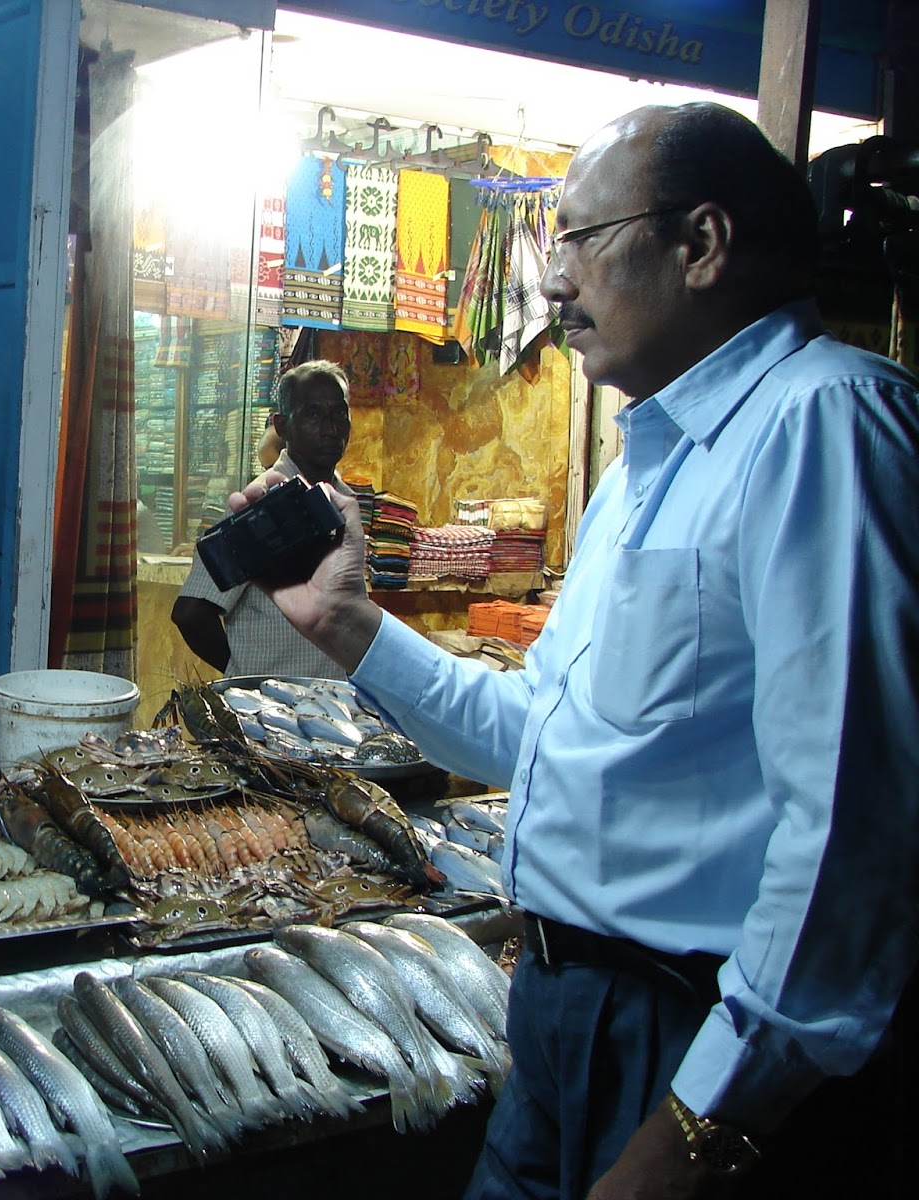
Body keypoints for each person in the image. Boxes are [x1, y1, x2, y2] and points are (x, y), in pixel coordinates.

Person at [233, 102, 919, 1198]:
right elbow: (545, 738)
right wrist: (347, 625)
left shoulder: (821, 428)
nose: (551, 282)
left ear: (699, 243)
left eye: (581, 239)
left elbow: (849, 834)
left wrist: (699, 1127)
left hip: (686, 1035)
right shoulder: (649, 464)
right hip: (564, 1018)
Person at [172, 360, 355, 681]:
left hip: (331, 710)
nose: (330, 429)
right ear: (282, 426)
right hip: (269, 715)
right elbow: (191, 613)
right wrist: (246, 676)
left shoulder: (344, 501)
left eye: (339, 414)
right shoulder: (260, 506)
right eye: (313, 415)